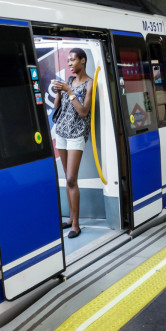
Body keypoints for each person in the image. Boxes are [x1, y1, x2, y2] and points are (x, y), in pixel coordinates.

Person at [51, 48, 93, 239]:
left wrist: (69, 91)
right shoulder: (68, 81)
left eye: (72, 60)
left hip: (76, 134)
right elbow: (56, 107)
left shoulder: (89, 83)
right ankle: (70, 219)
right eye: (67, 61)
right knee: (66, 179)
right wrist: (59, 91)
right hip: (61, 132)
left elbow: (84, 111)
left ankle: (76, 224)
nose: (69, 64)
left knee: (70, 179)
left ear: (82, 61)